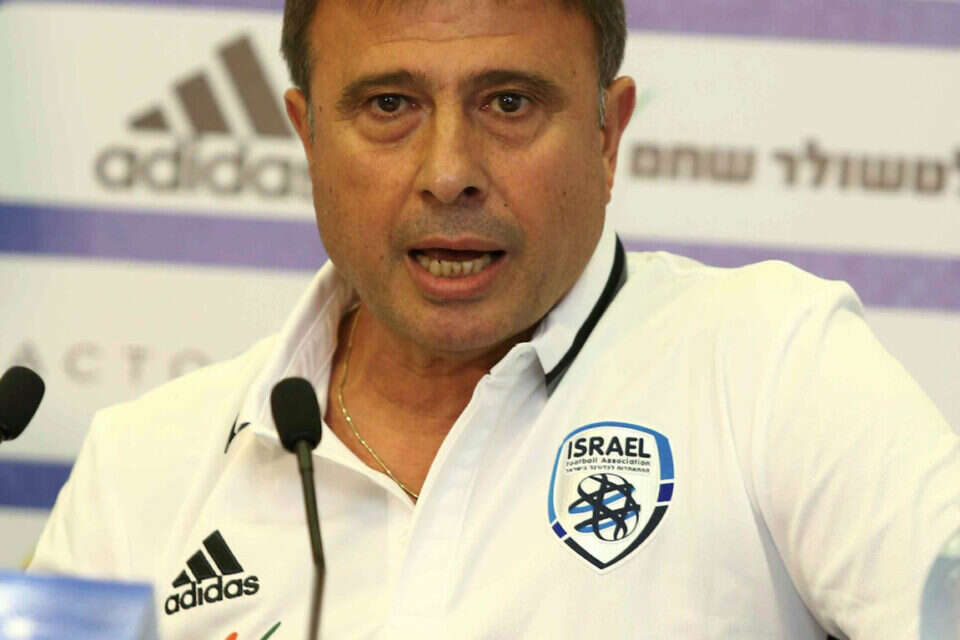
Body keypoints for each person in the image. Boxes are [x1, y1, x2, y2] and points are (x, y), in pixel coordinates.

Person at [29, 1, 960, 638]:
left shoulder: (771, 364)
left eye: (509, 103)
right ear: (307, 137)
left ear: (607, 134)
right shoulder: (140, 468)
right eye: (390, 105)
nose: (449, 173)